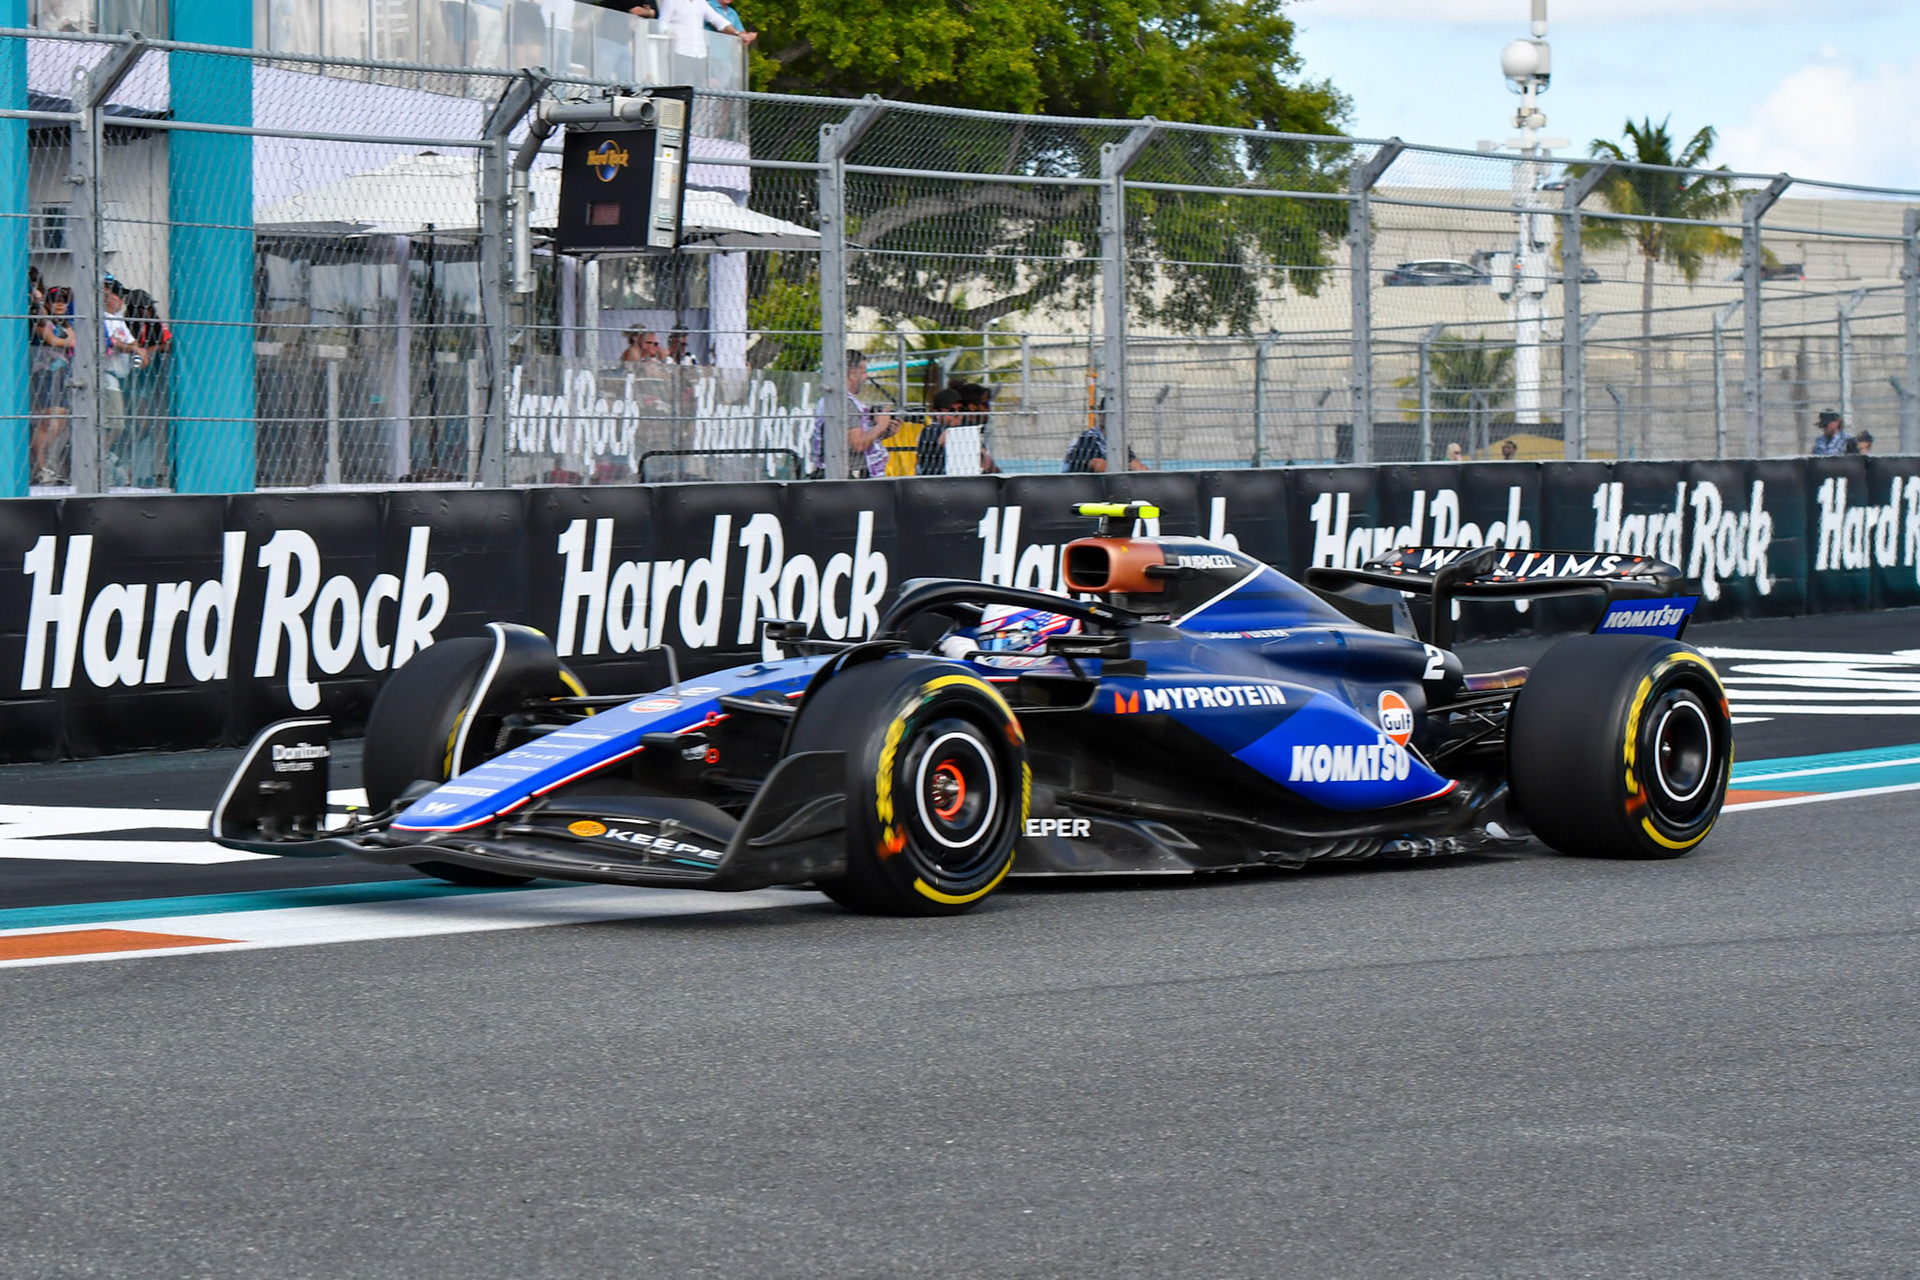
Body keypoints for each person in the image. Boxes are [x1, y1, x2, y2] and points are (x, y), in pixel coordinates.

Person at [810, 350, 899, 478]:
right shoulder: (845, 403)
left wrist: (883, 433)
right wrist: (880, 426)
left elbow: (850, 441)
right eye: (863, 372)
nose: (866, 377)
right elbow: (858, 444)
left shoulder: (835, 400)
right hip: (844, 476)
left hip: (837, 473)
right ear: (852, 375)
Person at [1062, 402, 1145, 473]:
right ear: (1100, 415)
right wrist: (1126, 470)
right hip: (1077, 484)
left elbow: (1137, 466)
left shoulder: (1118, 442)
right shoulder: (1089, 438)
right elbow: (1100, 466)